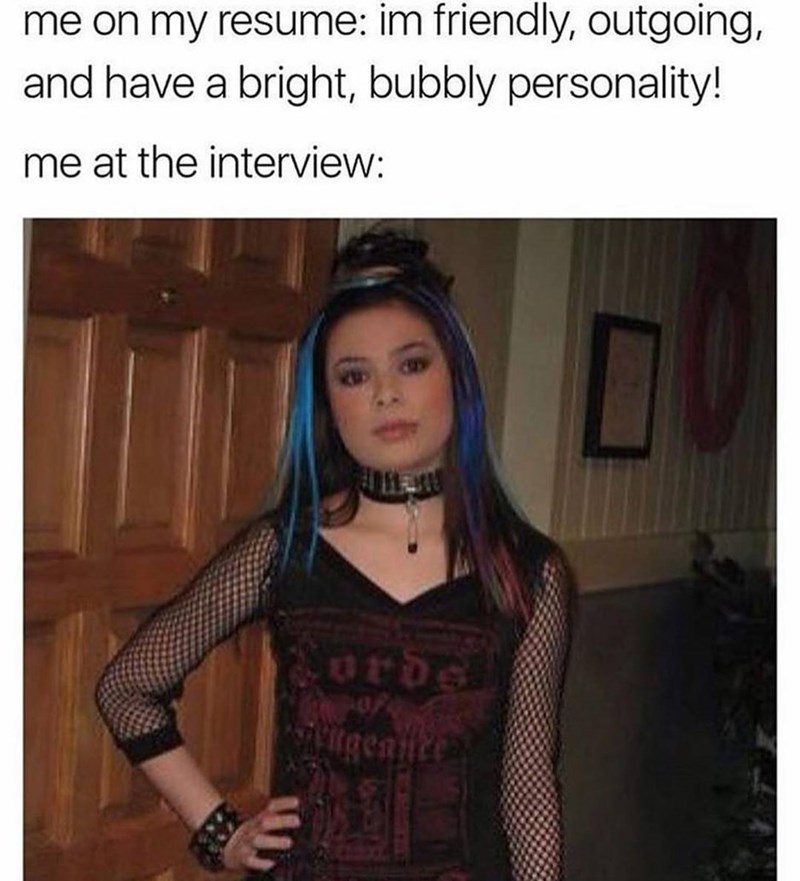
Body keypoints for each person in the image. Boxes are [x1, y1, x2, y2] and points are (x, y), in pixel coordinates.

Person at [95, 229, 572, 881]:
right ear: (327, 401)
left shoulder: (527, 572)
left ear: (458, 377)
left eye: (412, 364)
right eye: (354, 375)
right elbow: (126, 688)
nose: (385, 393)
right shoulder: (285, 548)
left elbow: (528, 790)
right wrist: (219, 833)